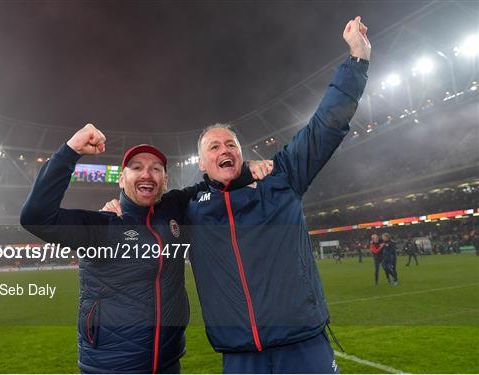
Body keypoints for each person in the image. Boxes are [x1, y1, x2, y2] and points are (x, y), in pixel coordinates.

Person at [103, 16, 370, 373]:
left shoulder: (282, 178)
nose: (224, 148)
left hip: (304, 349)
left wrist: (358, 59)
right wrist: (119, 203)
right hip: (241, 356)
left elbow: (326, 125)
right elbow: (143, 205)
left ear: (241, 153)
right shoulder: (188, 206)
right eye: (214, 146)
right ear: (202, 163)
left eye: (231, 143)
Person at [20, 124, 272, 373]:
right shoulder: (104, 225)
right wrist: (71, 150)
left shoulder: (174, 208)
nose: (147, 174)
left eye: (156, 169)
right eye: (136, 168)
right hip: (111, 368)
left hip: (168, 363)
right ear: (121, 178)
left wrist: (245, 169)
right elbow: (36, 216)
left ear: (165, 180)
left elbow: (215, 182)